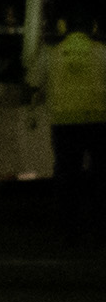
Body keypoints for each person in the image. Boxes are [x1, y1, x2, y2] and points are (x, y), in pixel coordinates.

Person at [47, 14, 103, 225]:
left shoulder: (53, 54)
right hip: (98, 122)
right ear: (93, 28)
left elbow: (37, 83)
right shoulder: (102, 52)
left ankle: (69, 224)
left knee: (67, 174)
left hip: (64, 123)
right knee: (100, 173)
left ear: (63, 27)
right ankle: (98, 220)